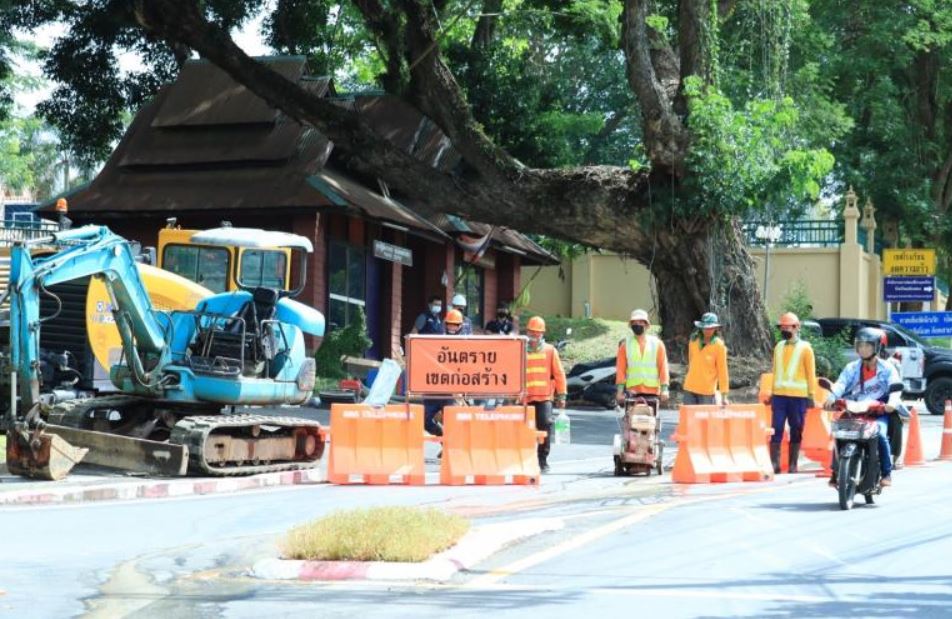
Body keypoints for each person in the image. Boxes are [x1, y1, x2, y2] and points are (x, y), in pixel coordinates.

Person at [824, 327, 902, 487]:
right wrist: (831, 398)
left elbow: (895, 388)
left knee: (880, 435)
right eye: (860, 345)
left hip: (879, 410)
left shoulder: (887, 368)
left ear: (877, 347)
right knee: (840, 433)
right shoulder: (851, 367)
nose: (863, 349)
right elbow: (841, 384)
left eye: (868, 345)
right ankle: (836, 471)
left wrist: (892, 403)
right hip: (854, 408)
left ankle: (886, 473)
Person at [769, 312, 817, 474]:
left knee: (796, 429)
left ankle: (792, 465)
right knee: (776, 428)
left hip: (798, 397)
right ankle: (774, 464)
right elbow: (775, 371)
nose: (784, 330)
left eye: (787, 327)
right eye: (782, 327)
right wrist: (772, 392)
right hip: (779, 396)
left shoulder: (805, 348)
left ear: (796, 328)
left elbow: (811, 373)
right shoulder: (778, 347)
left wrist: (811, 395)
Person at [523, 316, 567, 473]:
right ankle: (525, 460)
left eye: (537, 333)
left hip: (544, 398)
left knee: (545, 426)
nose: (534, 335)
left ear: (542, 334)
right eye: (531, 332)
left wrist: (561, 395)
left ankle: (542, 460)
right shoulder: (520, 350)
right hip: (524, 398)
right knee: (524, 431)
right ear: (527, 332)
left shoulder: (550, 350)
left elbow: (559, 374)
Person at [422, 309, 466, 441]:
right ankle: (442, 437)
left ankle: (448, 446)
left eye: (455, 325)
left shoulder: (465, 345)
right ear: (445, 324)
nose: (452, 328)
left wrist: (462, 390)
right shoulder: (436, 340)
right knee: (424, 420)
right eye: (450, 324)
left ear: (460, 326)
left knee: (451, 423)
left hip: (451, 393)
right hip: (433, 390)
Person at [615, 309, 670, 407]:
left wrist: (664, 389)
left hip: (652, 391)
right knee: (632, 417)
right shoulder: (625, 345)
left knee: (650, 416)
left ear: (647, 325)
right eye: (634, 323)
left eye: (641, 322)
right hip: (632, 391)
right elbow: (621, 370)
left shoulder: (657, 344)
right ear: (631, 325)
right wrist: (620, 391)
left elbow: (663, 367)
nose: (637, 325)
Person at [683, 312, 730, 405]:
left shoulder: (719, 345)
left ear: (715, 328)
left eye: (710, 328)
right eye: (705, 327)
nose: (707, 330)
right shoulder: (693, 341)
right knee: (689, 414)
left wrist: (724, 395)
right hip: (690, 388)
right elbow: (691, 361)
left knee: (705, 415)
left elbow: (722, 371)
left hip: (707, 392)